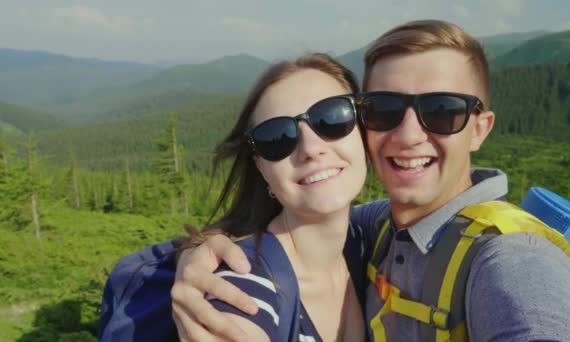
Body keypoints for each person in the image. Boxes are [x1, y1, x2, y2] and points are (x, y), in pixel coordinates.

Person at [101, 20, 570, 341]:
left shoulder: (512, 258)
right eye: (384, 109)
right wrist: (203, 247)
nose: (408, 135)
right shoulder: (361, 235)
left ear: (480, 128)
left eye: (442, 111)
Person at [99, 53, 369, 341]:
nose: (311, 148)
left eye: (332, 117)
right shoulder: (246, 282)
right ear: (261, 168)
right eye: (277, 137)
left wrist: (191, 249)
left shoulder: (374, 239)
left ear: (365, 129)